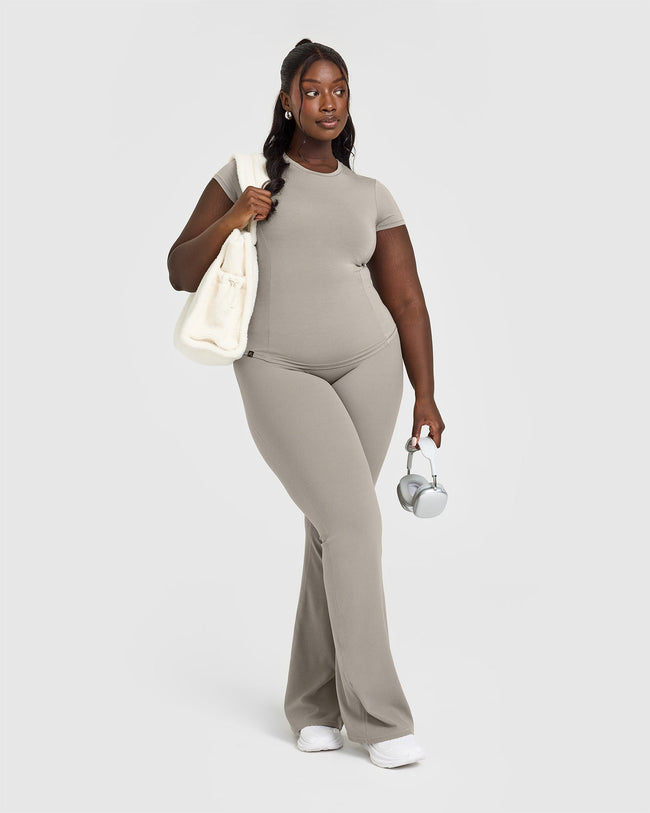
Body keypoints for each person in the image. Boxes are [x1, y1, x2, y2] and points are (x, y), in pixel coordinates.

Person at [167, 38, 445, 769]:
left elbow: (406, 300)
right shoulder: (246, 176)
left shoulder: (371, 194)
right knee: (354, 522)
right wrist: (236, 217)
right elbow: (179, 269)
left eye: (339, 90)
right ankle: (380, 720)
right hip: (276, 366)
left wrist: (426, 393)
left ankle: (314, 706)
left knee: (333, 528)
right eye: (313, 90)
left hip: (369, 363)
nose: (328, 103)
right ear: (288, 100)